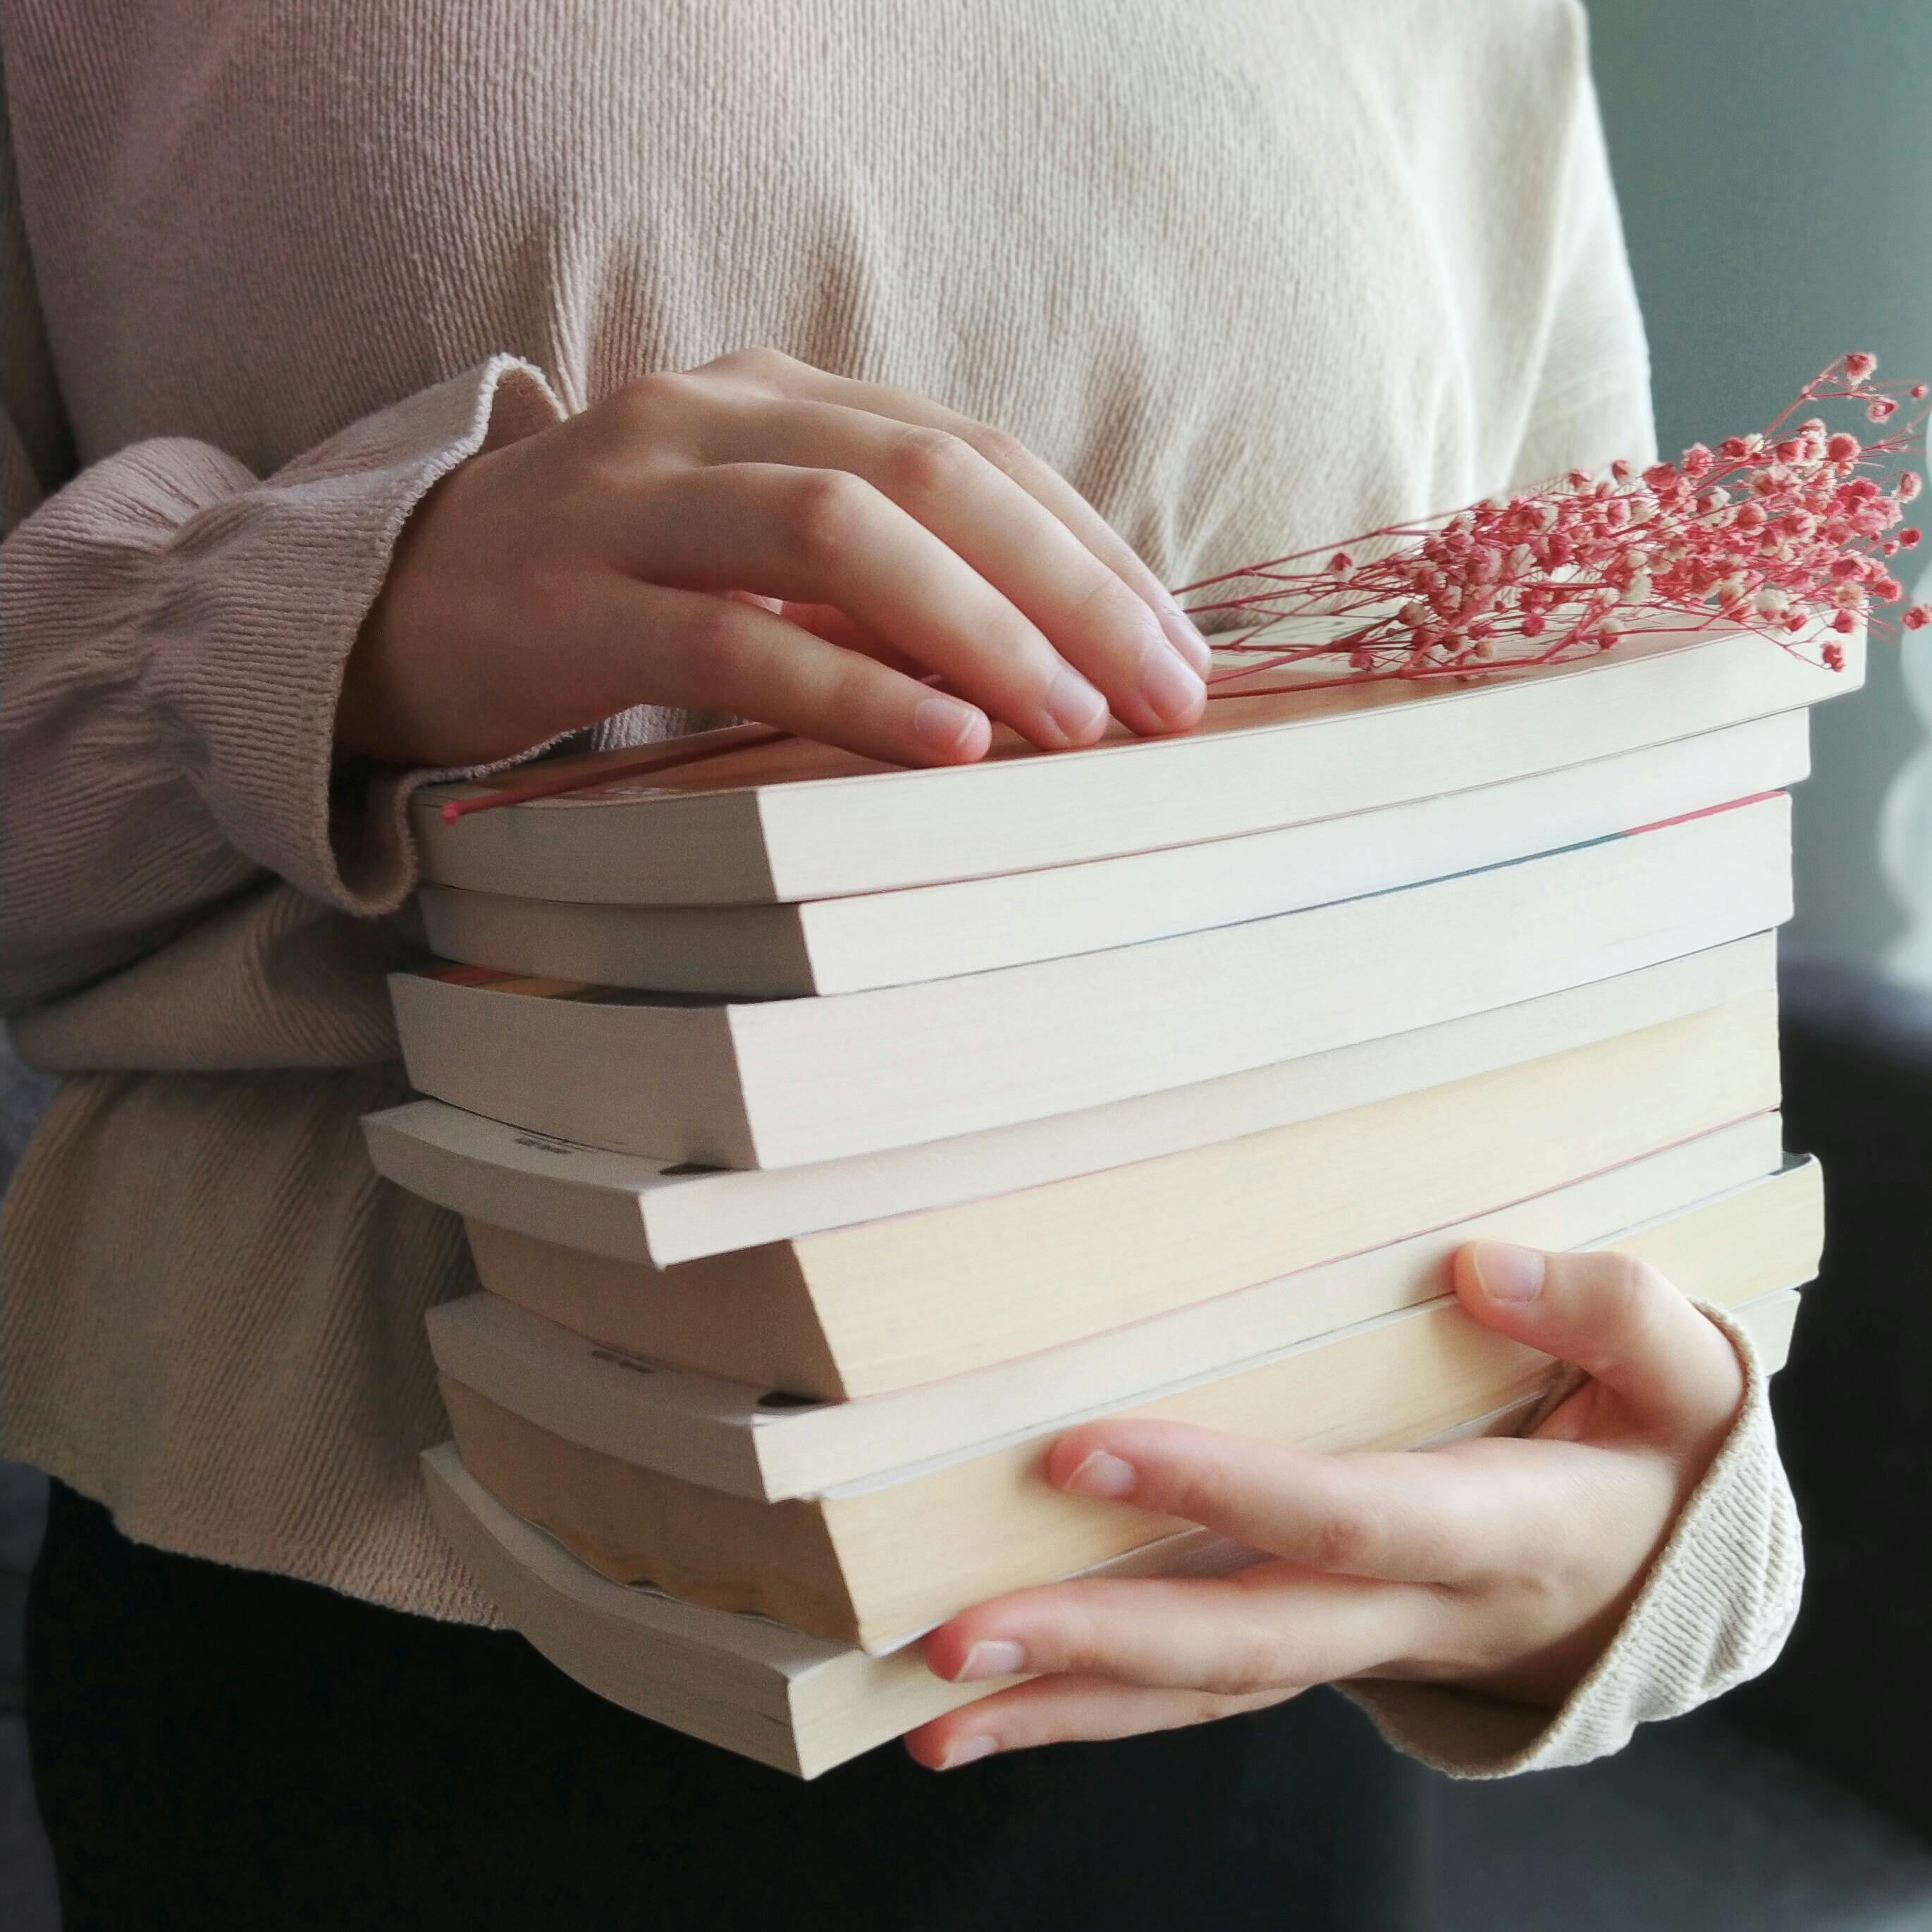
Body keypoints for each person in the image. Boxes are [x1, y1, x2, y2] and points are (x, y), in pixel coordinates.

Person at [0, 3, 1799, 1926]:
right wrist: (318, 626)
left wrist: (1657, 1523)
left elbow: (1597, 813)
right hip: (402, 1695)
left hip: (1256, 1678)